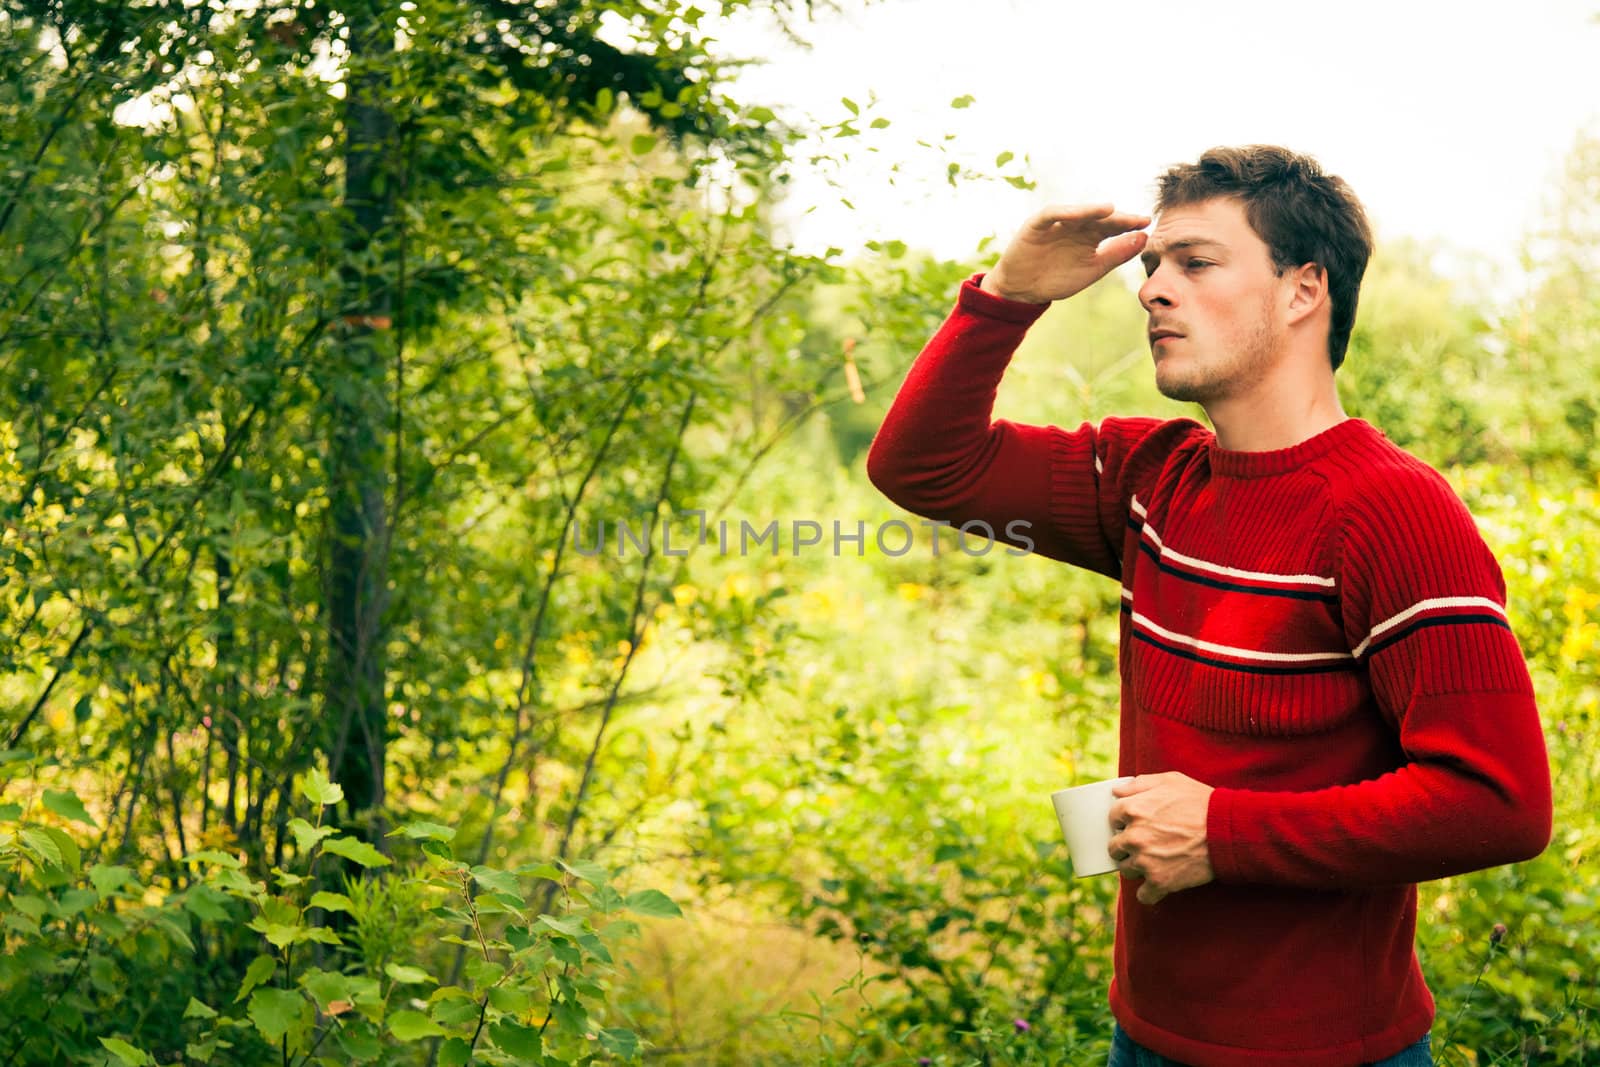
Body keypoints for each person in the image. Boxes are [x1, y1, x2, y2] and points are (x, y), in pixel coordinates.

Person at [864, 145, 1553, 1067]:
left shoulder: (1392, 511)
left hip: (1323, 1051)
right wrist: (1008, 293)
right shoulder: (1150, 479)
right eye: (1152, 265)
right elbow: (923, 467)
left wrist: (1221, 833)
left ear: (1304, 289)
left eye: (1195, 263)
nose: (1153, 289)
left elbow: (1500, 803)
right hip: (1142, 1033)